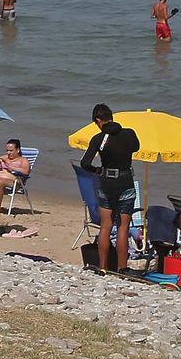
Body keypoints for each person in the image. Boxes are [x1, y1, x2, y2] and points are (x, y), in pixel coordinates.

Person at [80, 104, 139, 274]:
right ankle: (123, 268)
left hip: (106, 183)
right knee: (123, 227)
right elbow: (136, 148)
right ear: (111, 116)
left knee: (106, 226)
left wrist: (96, 170)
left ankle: (103, 267)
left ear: (98, 121)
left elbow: (85, 163)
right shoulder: (129, 134)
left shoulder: (99, 139)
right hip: (125, 181)